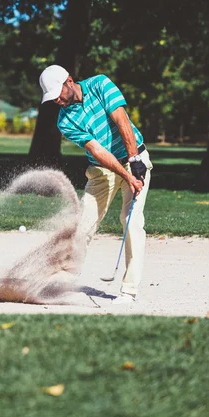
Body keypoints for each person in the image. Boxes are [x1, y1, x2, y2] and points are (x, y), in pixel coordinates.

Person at [39, 64, 153, 305]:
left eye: (58, 93)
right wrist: (126, 175)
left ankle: (129, 291)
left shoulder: (100, 84)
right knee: (83, 227)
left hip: (136, 158)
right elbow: (97, 150)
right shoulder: (65, 121)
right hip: (102, 171)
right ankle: (67, 278)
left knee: (131, 222)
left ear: (69, 80)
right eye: (52, 98)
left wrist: (135, 162)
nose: (57, 100)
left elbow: (121, 119)